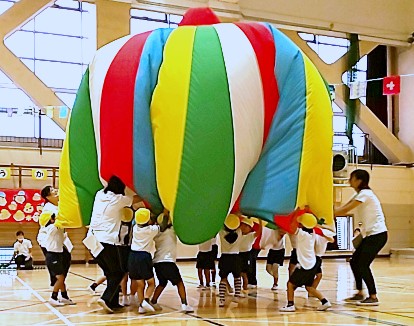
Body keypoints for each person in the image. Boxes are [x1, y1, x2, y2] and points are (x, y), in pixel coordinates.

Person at [335, 169, 388, 306]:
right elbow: (342, 208)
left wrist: (323, 215)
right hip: (372, 235)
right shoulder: (360, 194)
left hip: (378, 235)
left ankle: (373, 296)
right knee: (354, 262)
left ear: (359, 180)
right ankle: (359, 293)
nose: (349, 181)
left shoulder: (365, 194)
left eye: (351, 178)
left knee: (363, 264)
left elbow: (344, 210)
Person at [89, 175, 141, 313]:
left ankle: (113, 302)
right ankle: (106, 298)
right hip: (107, 241)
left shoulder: (99, 195)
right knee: (119, 272)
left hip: (92, 240)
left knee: (109, 272)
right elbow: (135, 199)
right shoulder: (118, 200)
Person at [280, 213, 331, 312]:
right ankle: (325, 302)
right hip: (312, 264)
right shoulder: (312, 233)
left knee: (290, 284)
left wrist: (297, 213)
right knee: (309, 287)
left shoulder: (302, 234)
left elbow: (292, 226)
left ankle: (290, 305)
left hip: (305, 265)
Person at [150, 211, 194, 312]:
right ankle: (184, 304)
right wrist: (167, 213)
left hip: (157, 262)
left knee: (162, 283)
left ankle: (153, 301)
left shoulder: (156, 232)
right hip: (167, 261)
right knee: (179, 283)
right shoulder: (171, 230)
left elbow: (163, 224)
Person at [39, 211, 75, 306]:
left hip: (58, 254)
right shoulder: (52, 228)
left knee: (61, 277)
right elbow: (61, 221)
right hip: (52, 255)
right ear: (50, 220)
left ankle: (64, 296)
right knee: (60, 278)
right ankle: (53, 297)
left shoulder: (57, 228)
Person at [128, 208, 160, 314]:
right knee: (151, 283)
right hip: (143, 256)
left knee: (140, 284)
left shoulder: (135, 227)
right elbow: (162, 226)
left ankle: (141, 306)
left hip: (132, 256)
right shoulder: (151, 230)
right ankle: (146, 300)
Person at [218, 214, 243, 307]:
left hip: (225, 257)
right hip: (236, 257)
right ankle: (237, 295)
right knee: (237, 277)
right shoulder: (239, 232)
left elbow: (219, 223)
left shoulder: (221, 232)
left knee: (223, 279)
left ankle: (221, 299)